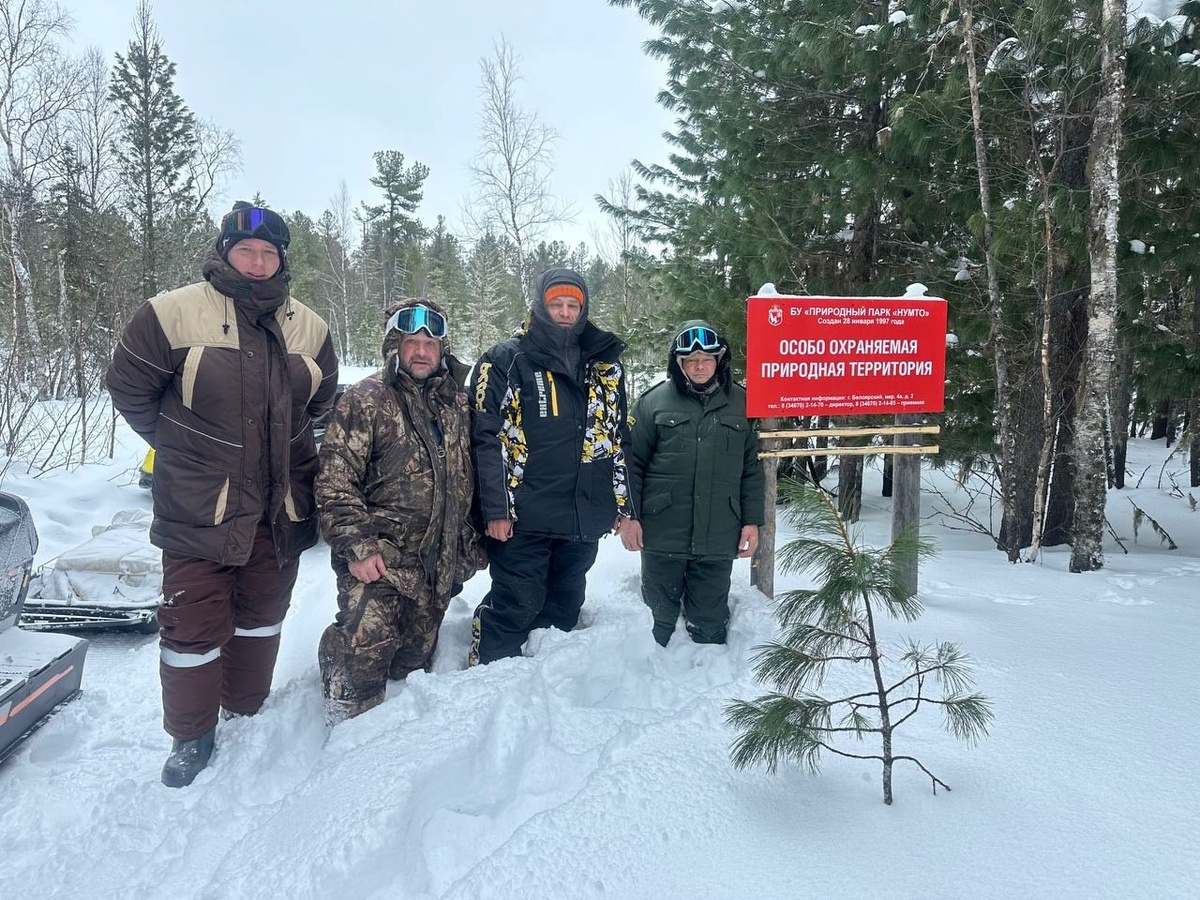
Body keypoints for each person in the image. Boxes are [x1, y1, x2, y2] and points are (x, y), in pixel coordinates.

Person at [106, 201, 339, 787]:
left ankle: (246, 705)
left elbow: (321, 402)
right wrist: (186, 448)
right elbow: (131, 390)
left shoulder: (309, 327)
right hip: (200, 507)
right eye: (246, 250)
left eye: (269, 253)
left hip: (279, 505)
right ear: (224, 251)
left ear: (282, 259)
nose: (257, 262)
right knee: (191, 625)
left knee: (262, 613)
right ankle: (191, 734)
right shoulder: (170, 314)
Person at [315, 298, 480, 726]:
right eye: (411, 341)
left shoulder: (457, 405)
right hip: (380, 561)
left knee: (411, 665)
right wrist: (359, 547)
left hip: (435, 565)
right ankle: (344, 706)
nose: (421, 351)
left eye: (430, 342)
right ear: (395, 345)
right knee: (365, 652)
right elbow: (335, 482)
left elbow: (470, 477)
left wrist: (470, 543)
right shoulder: (365, 399)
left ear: (443, 348)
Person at [468, 267, 631, 665]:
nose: (563, 312)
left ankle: (547, 696)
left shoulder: (605, 366)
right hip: (524, 517)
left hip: (581, 518)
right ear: (540, 305)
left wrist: (623, 506)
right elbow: (484, 439)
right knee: (516, 605)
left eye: (571, 305)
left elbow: (619, 437)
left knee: (565, 607)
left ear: (583, 308)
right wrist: (495, 510)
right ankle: (484, 680)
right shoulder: (506, 359)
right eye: (555, 303)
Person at [619, 321, 764, 646]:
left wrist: (751, 522)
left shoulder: (743, 403)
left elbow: (752, 470)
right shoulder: (653, 403)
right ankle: (651, 686)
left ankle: (707, 685)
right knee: (657, 625)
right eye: (691, 359)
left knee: (710, 625)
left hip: (718, 533)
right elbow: (632, 465)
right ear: (678, 363)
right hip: (662, 534)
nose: (699, 366)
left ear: (719, 360)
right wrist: (628, 516)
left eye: (706, 358)